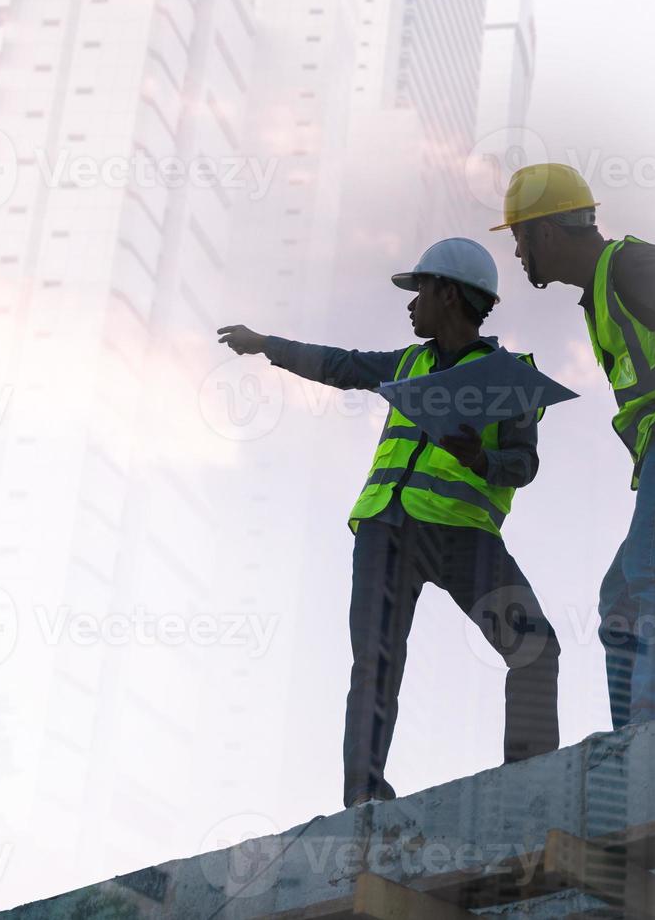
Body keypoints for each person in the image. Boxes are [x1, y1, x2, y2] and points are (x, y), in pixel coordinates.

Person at [217, 237, 560, 807]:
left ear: (448, 294)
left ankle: (525, 783)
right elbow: (339, 365)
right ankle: (364, 798)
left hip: (462, 536)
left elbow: (523, 464)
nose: (410, 303)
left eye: (420, 289)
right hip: (387, 533)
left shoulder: (511, 376)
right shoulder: (407, 363)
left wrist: (481, 460)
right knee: (375, 662)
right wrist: (267, 346)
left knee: (534, 648)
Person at [490, 165, 655, 729]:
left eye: (519, 238)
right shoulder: (601, 291)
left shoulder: (624, 265)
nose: (517, 253)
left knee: (654, 567)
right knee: (620, 596)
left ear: (545, 231)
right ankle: (634, 733)